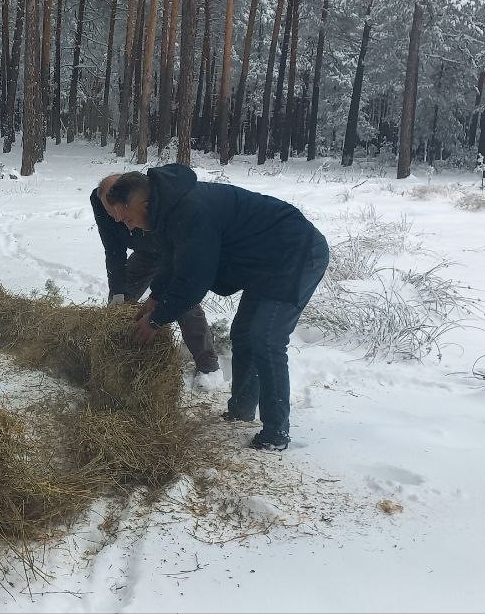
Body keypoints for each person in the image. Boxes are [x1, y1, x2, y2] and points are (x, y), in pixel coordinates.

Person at [103, 165, 329, 451]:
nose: (130, 228)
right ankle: (241, 411)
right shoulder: (168, 209)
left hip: (296, 254)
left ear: (144, 204)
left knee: (266, 337)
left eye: (130, 219)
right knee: (244, 333)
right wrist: (156, 296)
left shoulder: (190, 210)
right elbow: (175, 258)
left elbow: (195, 277)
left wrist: (156, 321)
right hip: (265, 264)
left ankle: (275, 434)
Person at [91, 174, 220, 375]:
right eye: (110, 213)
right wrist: (117, 293)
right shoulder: (100, 201)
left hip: (173, 251)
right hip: (144, 254)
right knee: (119, 301)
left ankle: (207, 364)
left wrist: (159, 306)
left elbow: (184, 274)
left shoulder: (150, 195)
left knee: (181, 302)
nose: (117, 220)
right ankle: (115, 357)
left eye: (118, 212)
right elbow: (113, 250)